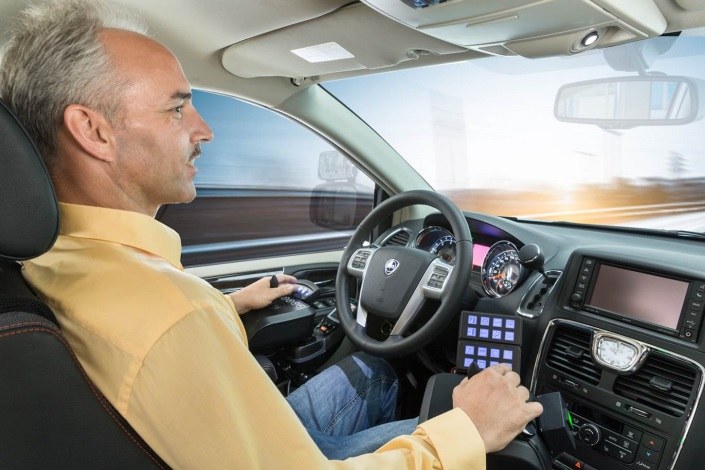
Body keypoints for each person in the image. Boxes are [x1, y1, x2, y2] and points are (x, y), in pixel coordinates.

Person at [0, 0, 543, 468]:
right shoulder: (172, 314)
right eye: (177, 108)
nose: (204, 129)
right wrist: (468, 430)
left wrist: (227, 304)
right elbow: (165, 329)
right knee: (500, 444)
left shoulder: (60, 260)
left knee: (378, 368)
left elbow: (150, 339)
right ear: (93, 131)